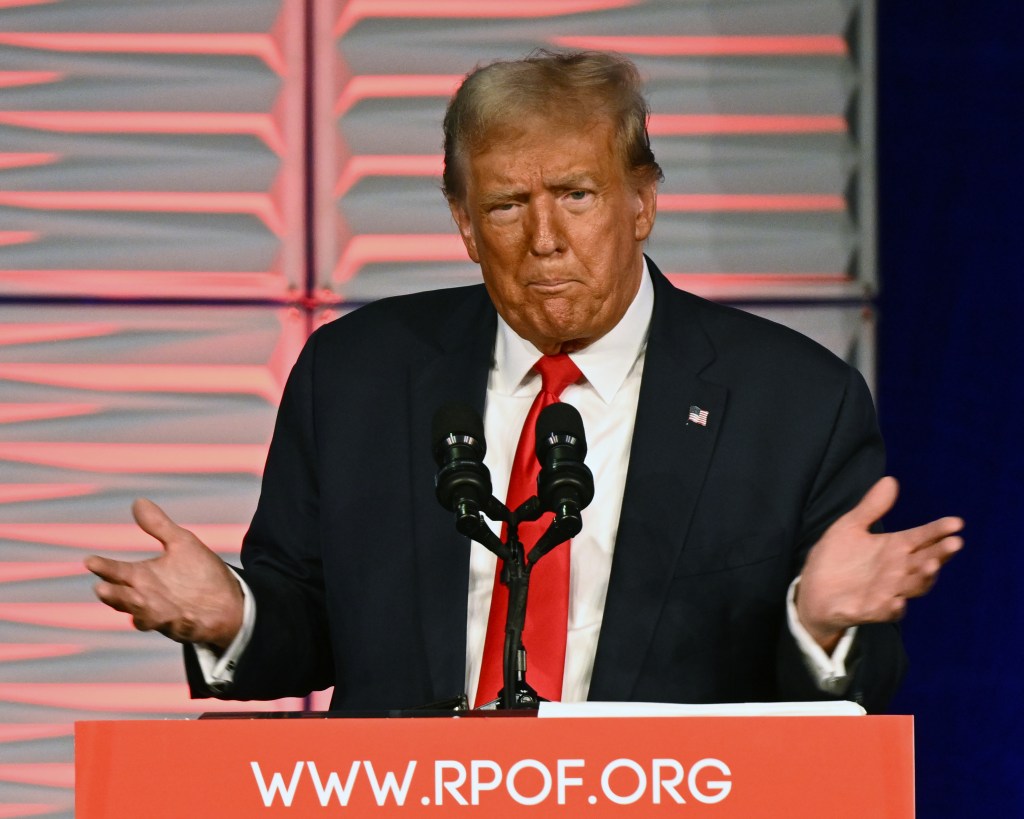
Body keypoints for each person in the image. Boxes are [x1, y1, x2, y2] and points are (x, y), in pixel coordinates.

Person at [85, 50, 963, 713]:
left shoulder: (793, 402)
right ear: (465, 224)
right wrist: (231, 614)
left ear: (642, 203)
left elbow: (849, 700)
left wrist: (820, 622)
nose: (544, 238)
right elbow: (308, 622)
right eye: (507, 205)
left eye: (576, 195)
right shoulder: (355, 375)